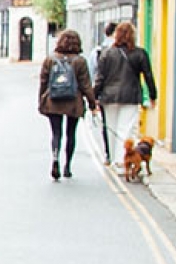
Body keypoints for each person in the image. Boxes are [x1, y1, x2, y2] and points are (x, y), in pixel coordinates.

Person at [93, 20, 158, 169]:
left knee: (112, 129)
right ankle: (122, 160)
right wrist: (153, 96)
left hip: (109, 97)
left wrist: (94, 98)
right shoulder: (140, 53)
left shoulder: (107, 53)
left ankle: (115, 159)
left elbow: (100, 78)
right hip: (130, 96)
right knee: (126, 128)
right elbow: (148, 76)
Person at [38, 28, 96, 180]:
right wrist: (92, 104)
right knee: (71, 134)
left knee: (56, 133)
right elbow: (86, 85)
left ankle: (55, 158)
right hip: (73, 102)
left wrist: (41, 102)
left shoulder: (50, 59)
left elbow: (43, 82)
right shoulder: (80, 61)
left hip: (53, 101)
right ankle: (67, 166)